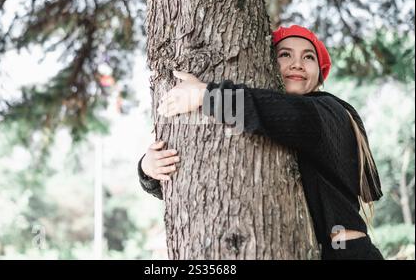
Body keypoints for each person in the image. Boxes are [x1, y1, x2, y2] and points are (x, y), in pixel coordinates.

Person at [137, 25, 384, 260]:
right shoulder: (282, 134)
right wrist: (149, 170)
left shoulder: (328, 112)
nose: (297, 63)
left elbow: (284, 114)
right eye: (285, 54)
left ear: (320, 76)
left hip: (348, 252)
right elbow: (212, 177)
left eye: (309, 57)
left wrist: (206, 95)